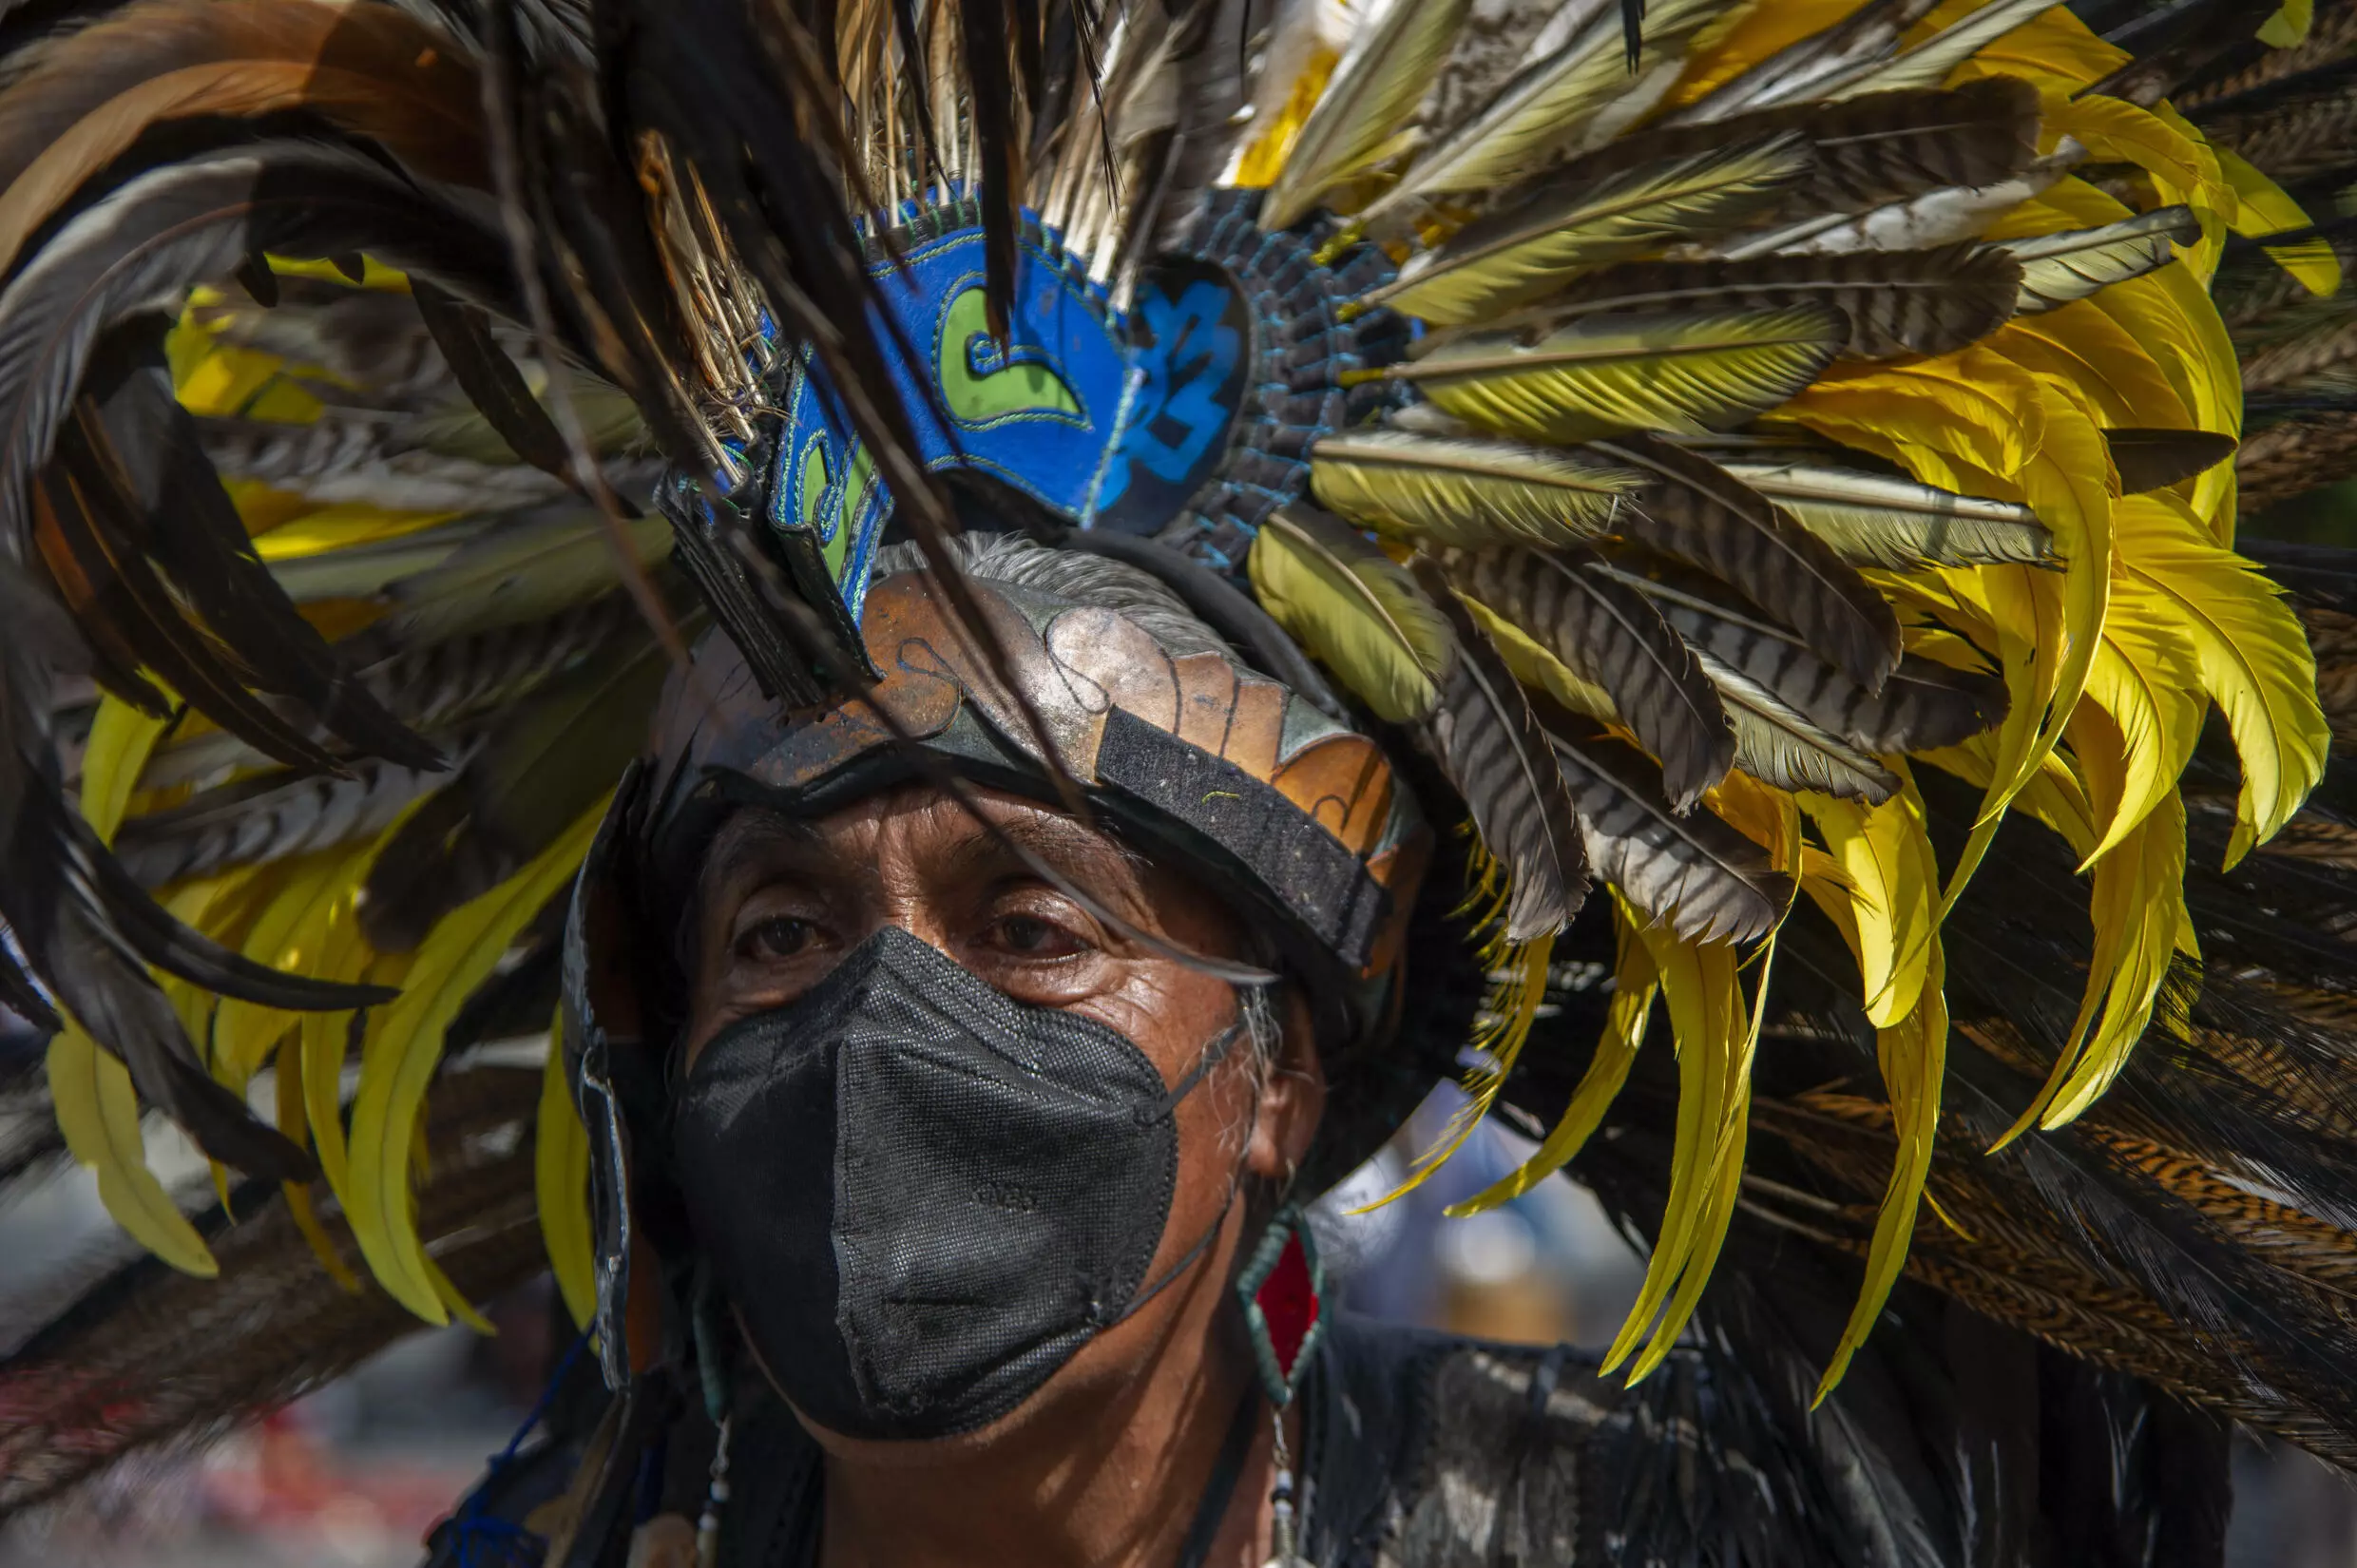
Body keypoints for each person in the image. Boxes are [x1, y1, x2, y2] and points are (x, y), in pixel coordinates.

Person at [3, 0, 2357, 1564]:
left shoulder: (1630, 1535)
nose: (872, 1032)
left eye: (1032, 927)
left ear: (1275, 1074)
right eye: (785, 931)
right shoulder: (561, 1536)